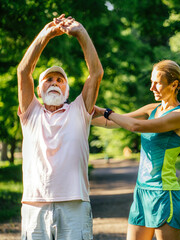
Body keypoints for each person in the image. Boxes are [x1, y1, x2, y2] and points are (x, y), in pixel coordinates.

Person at [17, 14, 103, 240]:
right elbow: (24, 72)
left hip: (75, 204)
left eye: (60, 80)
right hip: (34, 205)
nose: (54, 83)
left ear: (66, 91)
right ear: (39, 90)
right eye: (49, 79)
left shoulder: (79, 110)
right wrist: (45, 35)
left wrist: (81, 33)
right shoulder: (31, 112)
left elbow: (96, 73)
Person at [92, 60, 180, 240]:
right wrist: (73, 113)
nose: (151, 87)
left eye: (157, 83)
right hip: (141, 191)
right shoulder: (151, 109)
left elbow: (135, 126)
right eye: (151, 81)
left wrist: (106, 111)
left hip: (163, 193)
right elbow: (110, 122)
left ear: (174, 84)